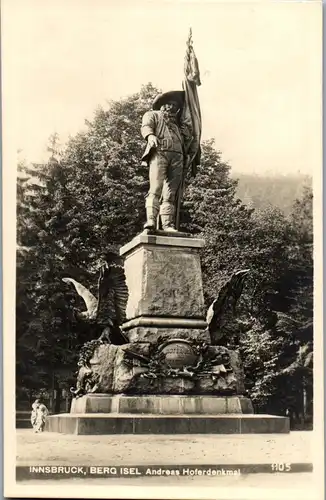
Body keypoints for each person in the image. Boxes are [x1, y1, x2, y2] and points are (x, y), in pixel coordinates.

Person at [141, 90, 191, 232]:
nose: (171, 107)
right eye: (168, 104)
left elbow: (188, 140)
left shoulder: (178, 125)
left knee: (170, 194)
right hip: (160, 153)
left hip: (177, 157)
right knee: (156, 188)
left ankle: (168, 224)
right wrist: (150, 136)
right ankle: (151, 220)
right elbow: (146, 126)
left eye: (174, 105)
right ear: (162, 105)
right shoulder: (152, 115)